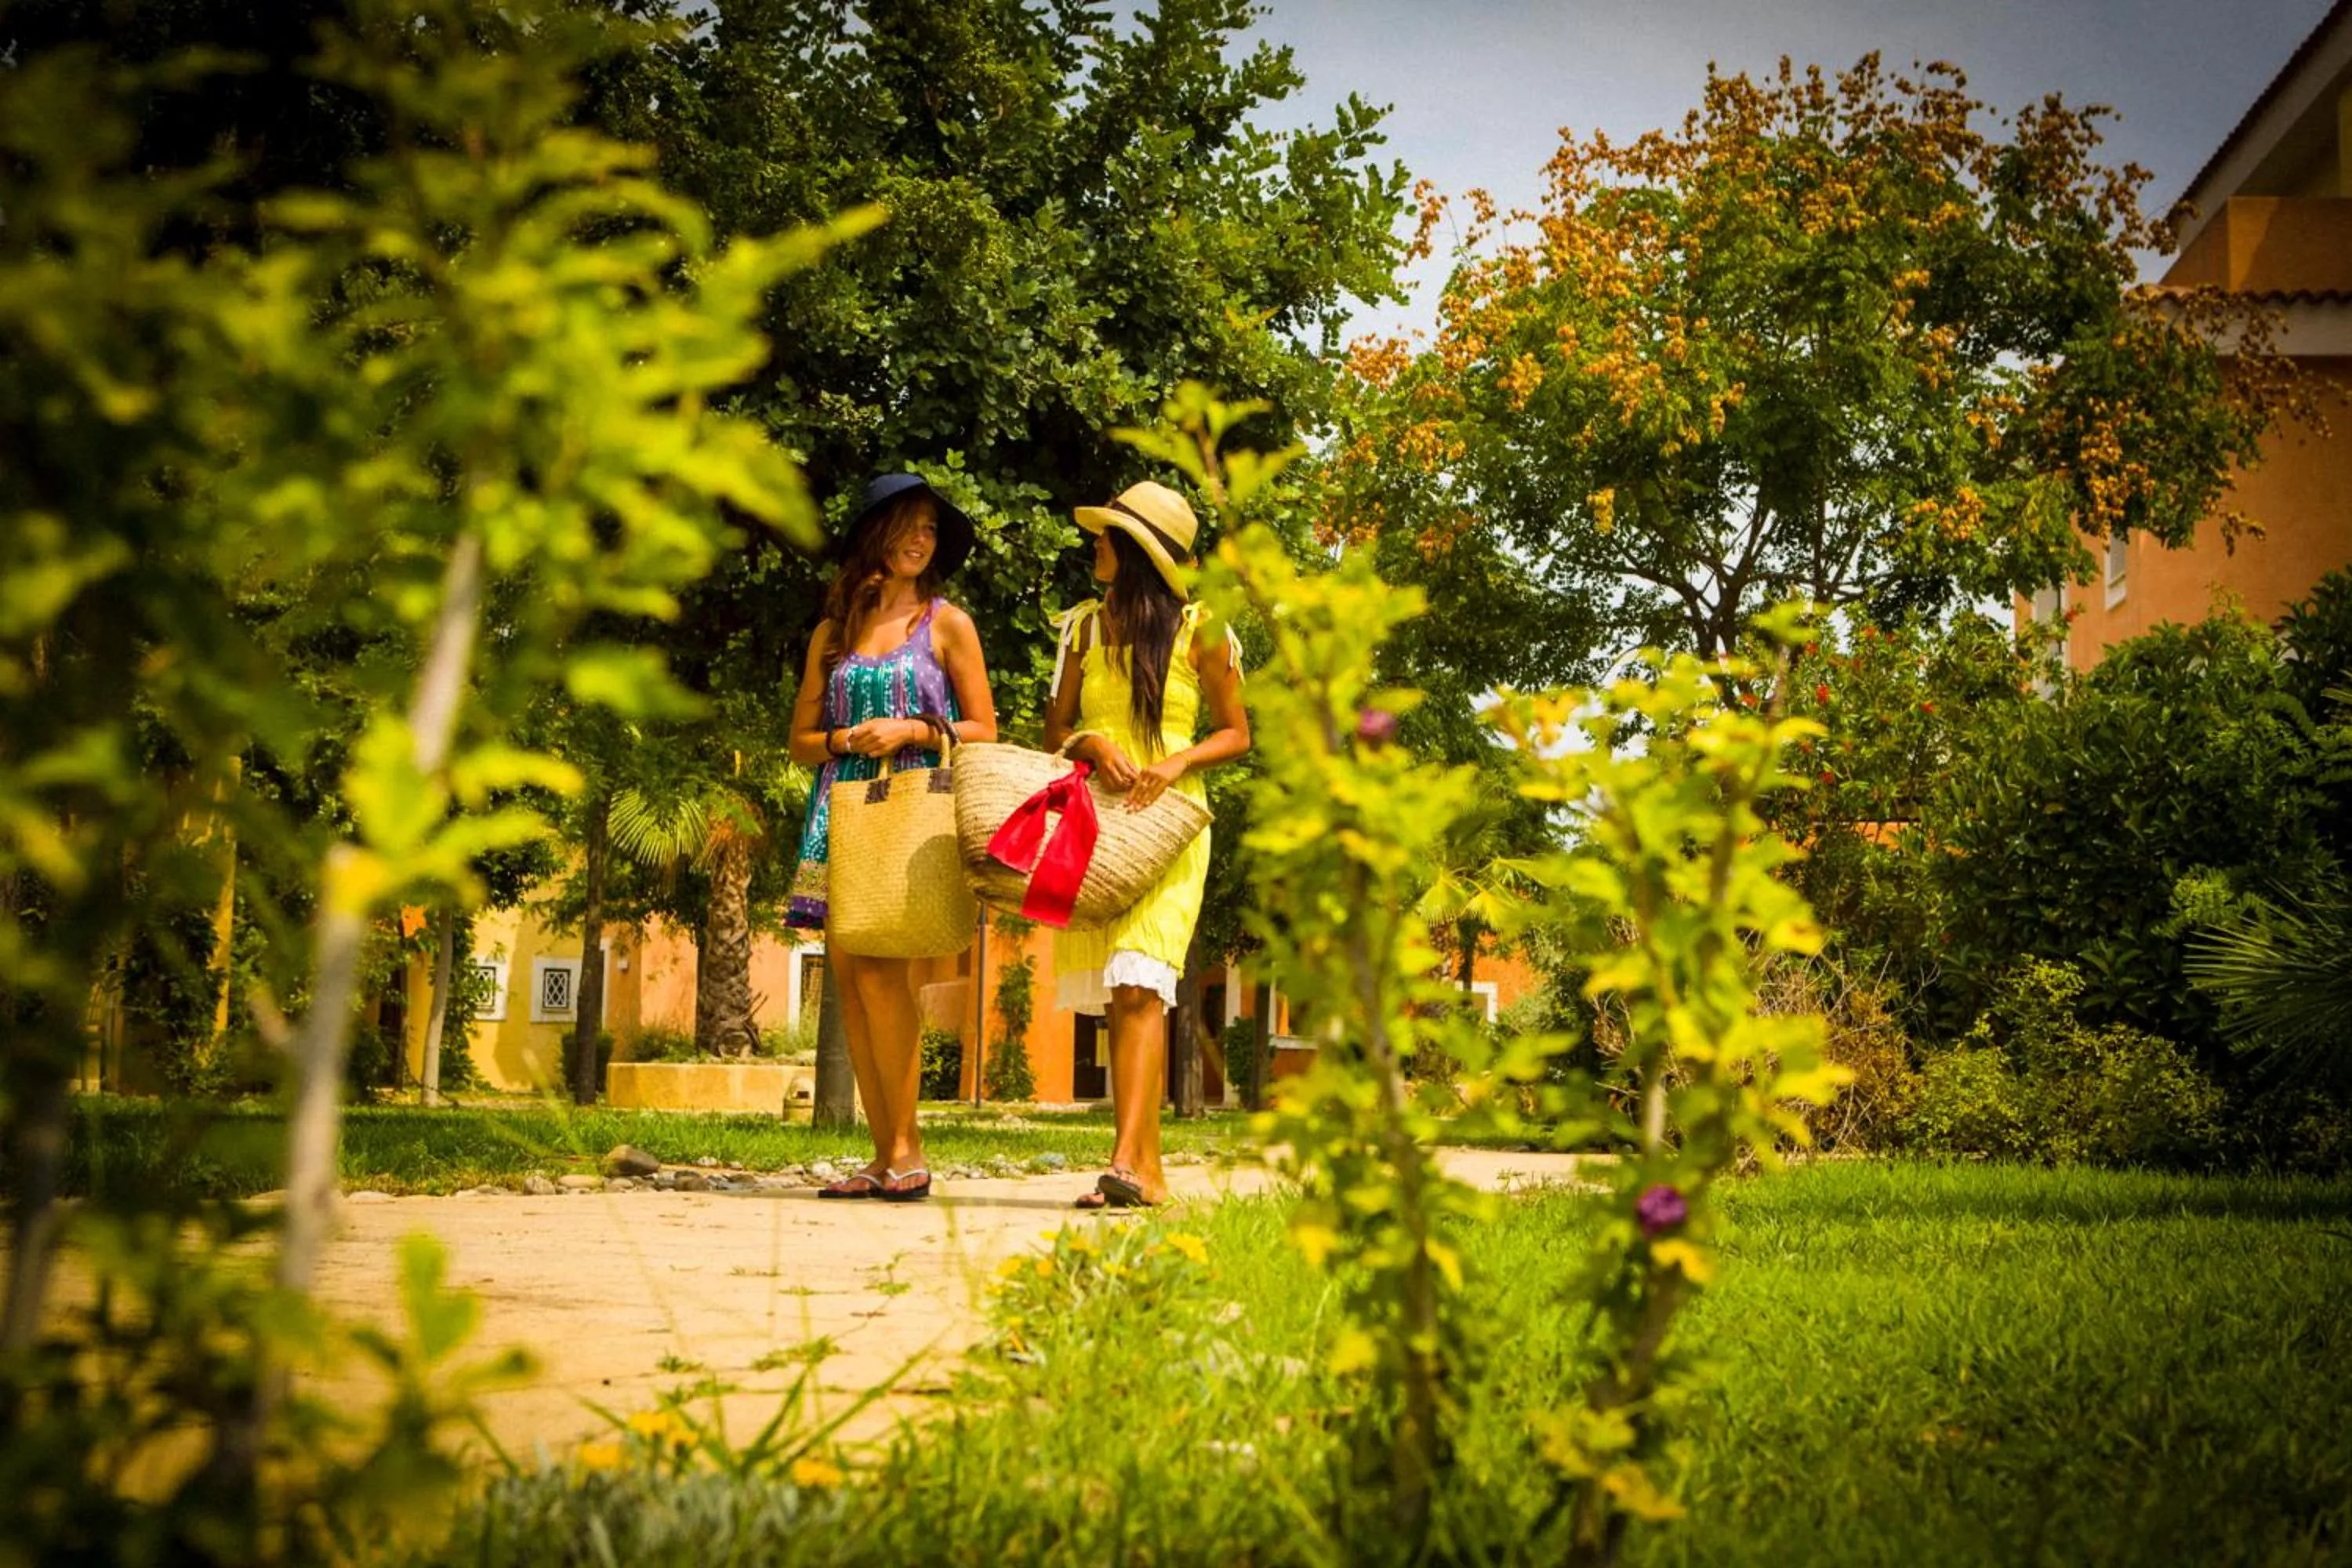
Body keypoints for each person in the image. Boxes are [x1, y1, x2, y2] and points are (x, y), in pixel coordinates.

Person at [787, 474, 996, 1202]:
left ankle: (907, 1148)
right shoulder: (833, 630)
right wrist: (849, 736)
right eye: (907, 524)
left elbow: (985, 730)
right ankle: (882, 1155)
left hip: (911, 807)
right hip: (840, 807)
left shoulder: (947, 624)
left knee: (883, 973)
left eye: (930, 529)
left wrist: (910, 729)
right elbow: (802, 741)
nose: (919, 539)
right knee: (851, 977)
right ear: (873, 535)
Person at [1044, 480, 1250, 1208]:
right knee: (1123, 994)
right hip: (1099, 822)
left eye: (1106, 537)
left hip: (1174, 825)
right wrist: (1092, 741)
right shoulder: (1083, 631)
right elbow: (1053, 735)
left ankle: (1127, 1164)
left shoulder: (1204, 629)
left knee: (1141, 980)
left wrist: (1176, 761)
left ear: (1134, 552)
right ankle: (1146, 1173)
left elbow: (1237, 732)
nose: (1095, 545)